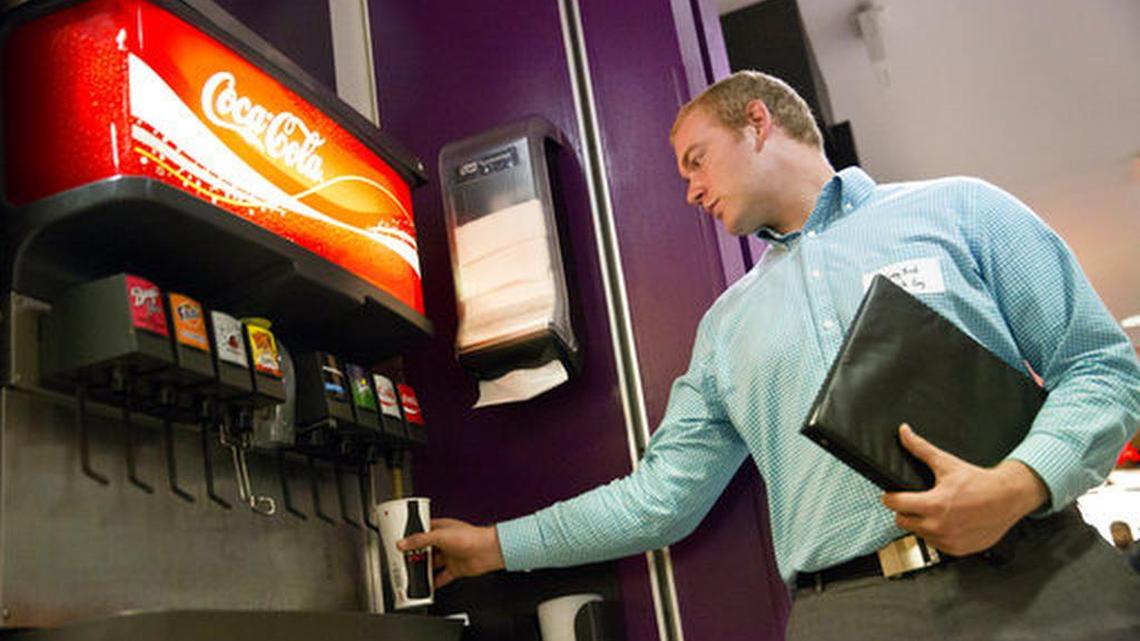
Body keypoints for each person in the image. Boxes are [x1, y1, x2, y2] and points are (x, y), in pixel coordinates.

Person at [400, 71, 1140, 639]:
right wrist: (494, 546)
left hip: (1049, 575)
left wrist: (1014, 485)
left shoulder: (962, 210)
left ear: (758, 122)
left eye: (697, 160)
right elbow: (660, 497)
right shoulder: (727, 326)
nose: (690, 190)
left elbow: (1102, 367)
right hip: (851, 613)